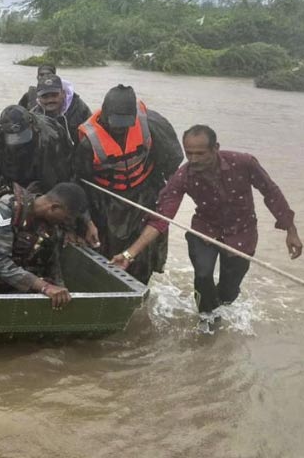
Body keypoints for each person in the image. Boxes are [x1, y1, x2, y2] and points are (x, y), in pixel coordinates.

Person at [115, 125, 301, 328]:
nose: (193, 159)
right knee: (203, 275)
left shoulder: (243, 162)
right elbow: (161, 218)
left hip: (242, 232)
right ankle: (205, 320)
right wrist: (128, 255)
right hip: (204, 231)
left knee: (228, 293)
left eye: (200, 153)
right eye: (189, 153)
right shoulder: (183, 175)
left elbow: (270, 192)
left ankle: (219, 307)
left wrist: (291, 230)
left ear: (215, 148)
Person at [74, 85, 183, 284]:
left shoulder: (152, 124)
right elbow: (80, 181)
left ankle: (142, 282)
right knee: (107, 248)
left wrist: (166, 195)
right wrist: (87, 220)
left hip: (145, 191)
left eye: (126, 123)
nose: (121, 128)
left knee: (146, 248)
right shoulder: (89, 141)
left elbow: (172, 161)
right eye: (116, 123)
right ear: (105, 113)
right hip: (107, 198)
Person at [0, 182, 89, 308]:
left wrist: (60, 290)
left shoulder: (52, 228)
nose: (66, 223)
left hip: (11, 286)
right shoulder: (7, 208)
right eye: (67, 217)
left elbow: (53, 264)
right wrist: (44, 287)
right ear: (54, 207)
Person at [29, 74, 91, 146]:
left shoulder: (80, 110)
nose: (50, 100)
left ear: (63, 93)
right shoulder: (32, 117)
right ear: (38, 98)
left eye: (54, 95)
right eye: (44, 96)